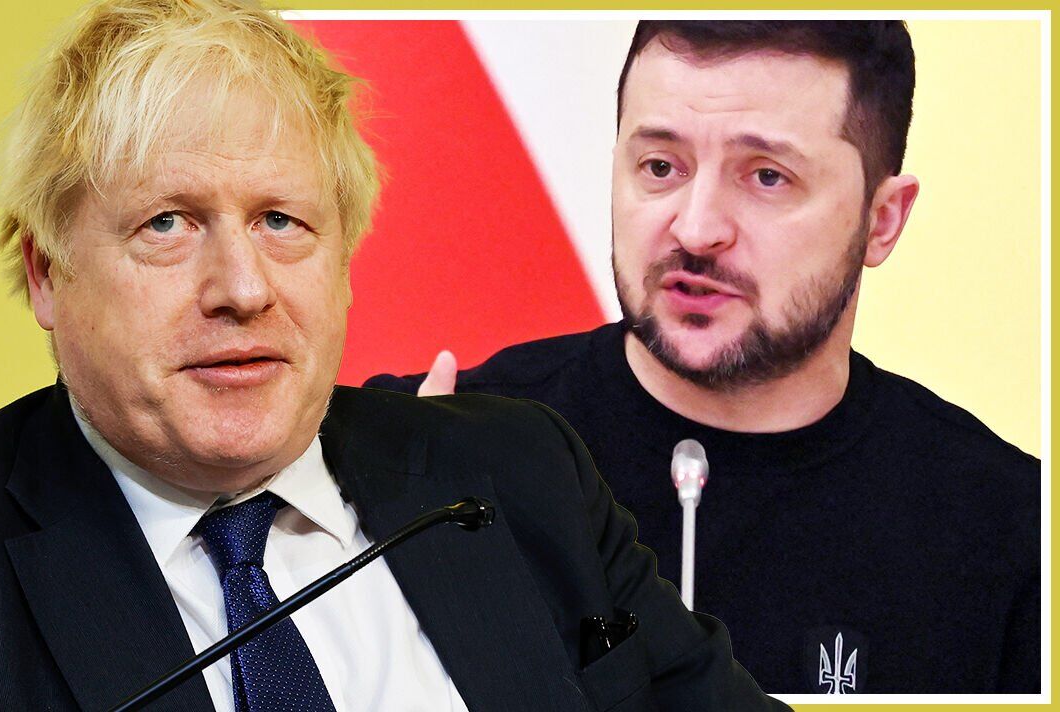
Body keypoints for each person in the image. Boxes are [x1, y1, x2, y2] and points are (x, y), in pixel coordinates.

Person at [0, 3, 788, 711]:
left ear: (344, 260)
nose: (242, 288)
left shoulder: (520, 471)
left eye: (281, 221)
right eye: (167, 224)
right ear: (47, 272)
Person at [368, 21, 1040, 694]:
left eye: (767, 177)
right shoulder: (417, 457)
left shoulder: (1013, 532)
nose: (695, 229)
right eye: (661, 167)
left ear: (882, 219)